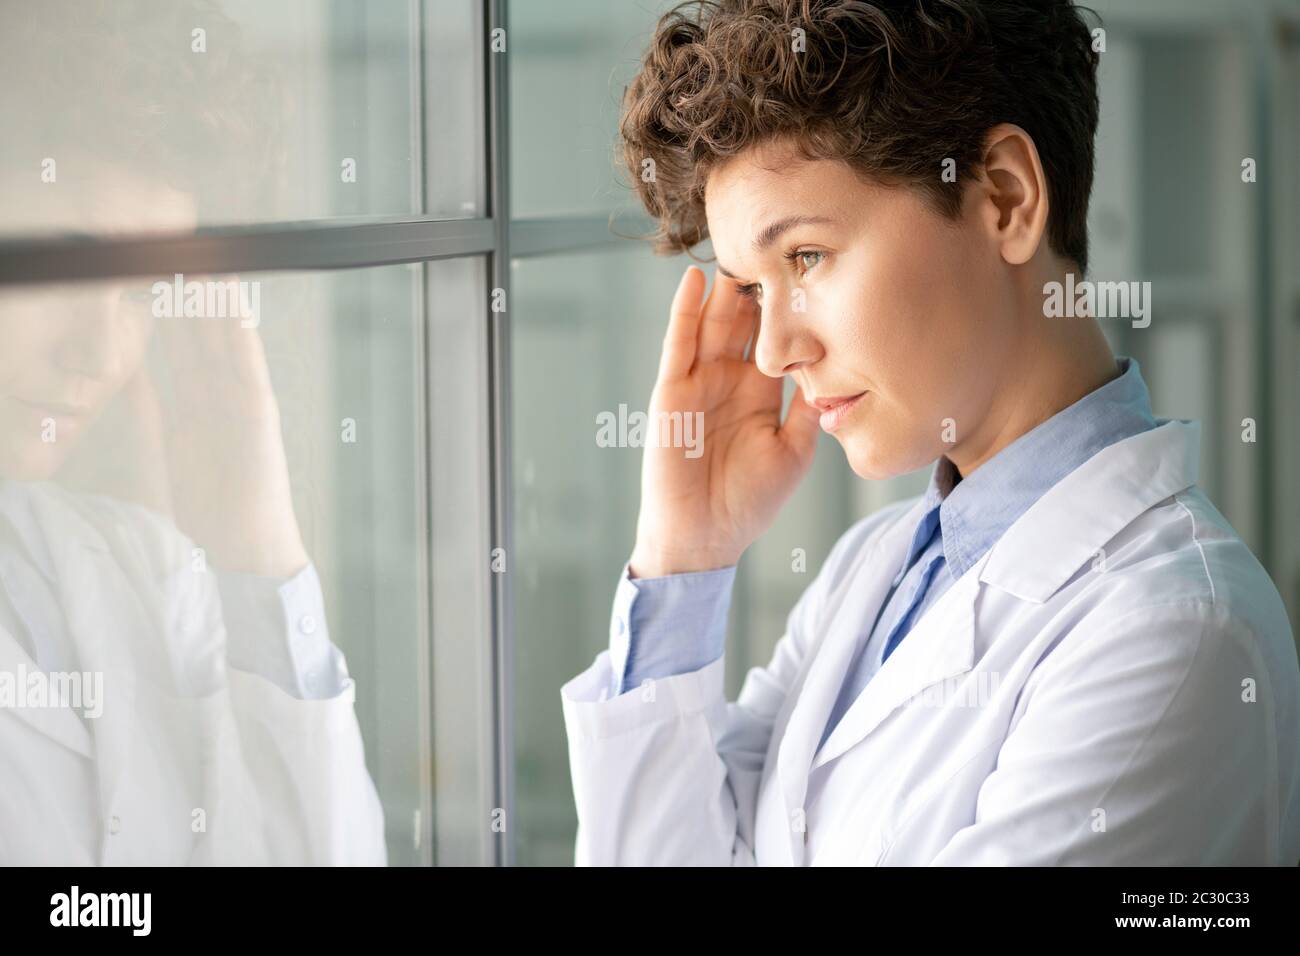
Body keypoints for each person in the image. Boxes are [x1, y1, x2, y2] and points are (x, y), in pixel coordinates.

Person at [561, 0, 1300, 865]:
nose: (772, 352)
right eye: (752, 289)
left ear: (1005, 199)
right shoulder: (870, 571)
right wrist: (684, 553)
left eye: (805, 257)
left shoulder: (1178, 636)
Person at [0, 0, 384, 864]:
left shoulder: (141, 561)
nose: (96, 352)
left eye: (140, 291)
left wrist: (255, 546)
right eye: (61, 264)